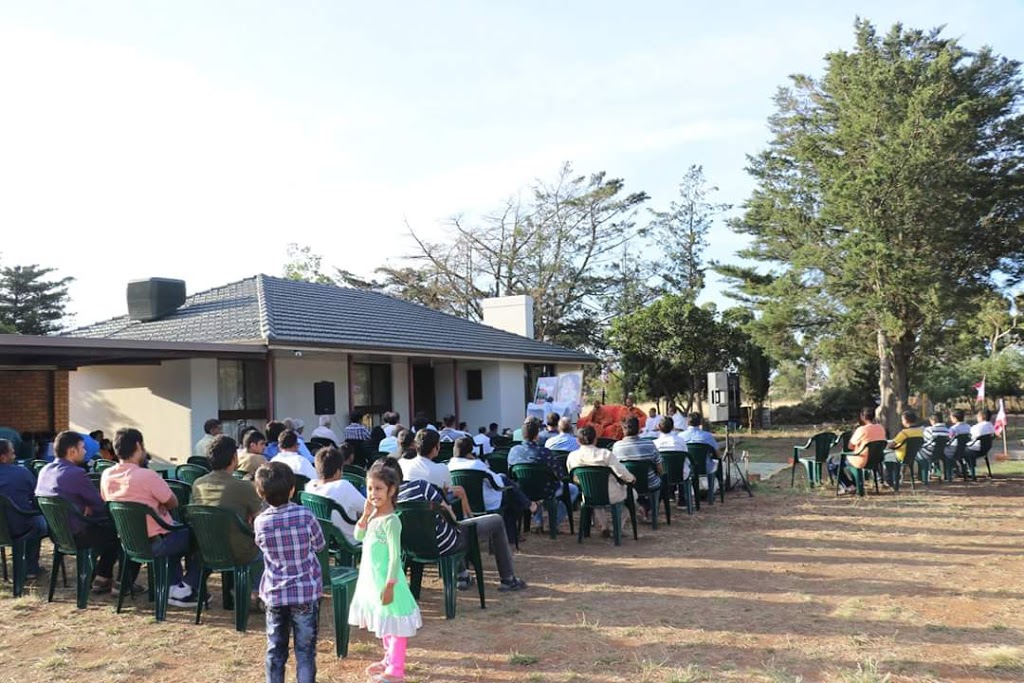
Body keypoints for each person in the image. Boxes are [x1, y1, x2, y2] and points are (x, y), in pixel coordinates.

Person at [384, 457, 527, 593]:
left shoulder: (384, 502)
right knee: (494, 520)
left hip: (411, 549)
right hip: (444, 545)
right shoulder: (420, 486)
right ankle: (508, 579)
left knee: (446, 529)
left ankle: (463, 575)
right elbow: (450, 514)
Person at [102, 427, 200, 605]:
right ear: (139, 446)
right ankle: (186, 586)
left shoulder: (107, 475)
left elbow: (112, 503)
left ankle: (173, 586)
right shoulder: (147, 475)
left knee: (176, 531)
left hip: (129, 542)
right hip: (158, 543)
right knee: (199, 538)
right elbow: (173, 502)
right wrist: (159, 506)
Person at [348, 461, 423, 682]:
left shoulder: (391, 521)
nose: (373, 493)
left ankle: (396, 670)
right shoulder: (373, 516)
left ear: (391, 490)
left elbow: (394, 556)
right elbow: (358, 537)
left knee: (396, 623)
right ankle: (388, 658)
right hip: (372, 579)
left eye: (379, 488)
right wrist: (364, 515)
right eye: (370, 488)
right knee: (385, 621)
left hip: (388, 581)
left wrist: (390, 584)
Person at [254, 462, 325, 683]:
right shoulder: (305, 515)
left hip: (275, 593)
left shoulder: (261, 522)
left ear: (260, 493)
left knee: (275, 651)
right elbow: (320, 544)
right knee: (304, 652)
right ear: (292, 489)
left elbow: (260, 545)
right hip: (305, 592)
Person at [35, 431, 127, 595]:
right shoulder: (76, 473)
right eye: (82, 448)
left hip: (57, 534)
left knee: (104, 533)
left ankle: (98, 576)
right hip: (79, 534)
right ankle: (104, 577)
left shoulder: (45, 470)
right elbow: (99, 505)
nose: (85, 452)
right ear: (72, 451)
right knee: (115, 534)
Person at [191, 434, 264, 600]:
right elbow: (261, 518)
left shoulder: (198, 484)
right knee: (266, 548)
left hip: (207, 548)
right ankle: (256, 592)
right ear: (234, 458)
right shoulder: (244, 487)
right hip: (238, 550)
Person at [448, 436, 535, 542]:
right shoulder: (477, 464)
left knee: (509, 488)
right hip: (486, 503)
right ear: (470, 451)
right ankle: (514, 531)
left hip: (464, 505)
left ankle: (528, 505)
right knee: (509, 490)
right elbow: (498, 483)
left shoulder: (449, 465)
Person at [567, 425, 635, 535]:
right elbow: (622, 473)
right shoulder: (605, 454)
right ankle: (618, 527)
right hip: (610, 494)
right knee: (633, 494)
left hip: (588, 493)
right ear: (595, 439)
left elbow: (573, 477)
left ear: (578, 441)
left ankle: (604, 526)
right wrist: (631, 479)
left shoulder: (572, 456)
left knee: (594, 493)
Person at [0, 438, 47, 579]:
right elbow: (36, 498)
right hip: (19, 527)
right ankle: (31, 568)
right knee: (39, 522)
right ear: (3, 457)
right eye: (12, 454)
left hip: (6, 527)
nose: (15, 457)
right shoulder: (22, 473)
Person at [305, 445, 366, 544]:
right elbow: (368, 509)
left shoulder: (309, 487)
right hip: (348, 542)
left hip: (322, 540)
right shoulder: (343, 486)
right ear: (338, 471)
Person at [612, 416, 663, 519]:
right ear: (639, 429)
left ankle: (640, 505)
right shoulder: (649, 444)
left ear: (623, 429)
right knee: (661, 483)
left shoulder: (617, 447)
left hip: (628, 484)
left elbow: (616, 469)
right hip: (649, 483)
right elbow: (659, 467)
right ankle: (648, 506)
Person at [836, 407, 886, 493]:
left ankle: (849, 485)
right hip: (876, 459)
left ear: (862, 417)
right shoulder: (880, 428)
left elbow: (850, 446)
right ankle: (854, 484)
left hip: (862, 460)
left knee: (833, 463)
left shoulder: (861, 430)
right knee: (848, 461)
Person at [884, 410, 923, 486]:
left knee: (886, 457)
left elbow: (891, 444)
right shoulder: (920, 432)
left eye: (902, 420)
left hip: (901, 456)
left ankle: (889, 480)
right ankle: (896, 478)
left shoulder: (904, 433)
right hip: (913, 456)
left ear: (906, 420)